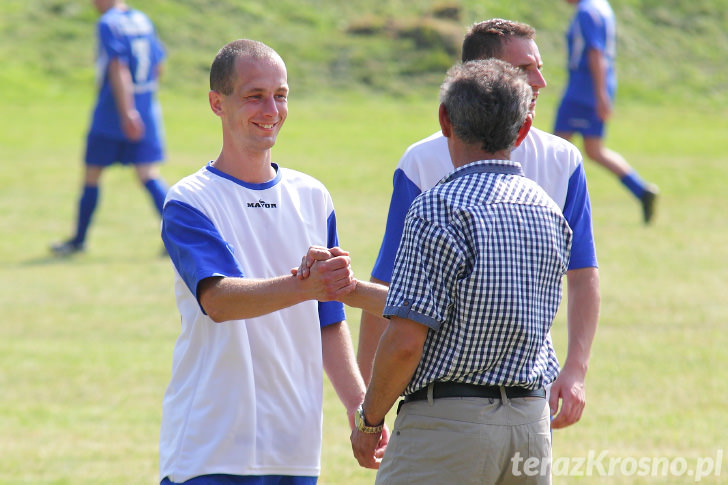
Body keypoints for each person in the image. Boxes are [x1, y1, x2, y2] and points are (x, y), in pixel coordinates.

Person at [358, 19, 600, 430]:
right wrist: (371, 403)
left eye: (539, 67)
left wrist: (575, 370)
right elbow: (390, 286)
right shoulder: (420, 163)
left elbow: (582, 273)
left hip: (526, 393)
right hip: (440, 396)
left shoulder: (564, 160)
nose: (540, 81)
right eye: (525, 70)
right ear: (483, 75)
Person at [158, 39, 376, 484]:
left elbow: (329, 320)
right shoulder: (190, 200)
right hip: (210, 449)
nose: (271, 110)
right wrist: (305, 285)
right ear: (217, 103)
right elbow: (218, 300)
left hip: (294, 451)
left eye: (281, 95)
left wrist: (360, 411)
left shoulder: (313, 196)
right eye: (254, 96)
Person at [346, 58, 572, 483]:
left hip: (447, 429)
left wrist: (369, 421)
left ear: (445, 121)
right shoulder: (548, 212)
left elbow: (407, 341)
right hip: (530, 426)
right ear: (522, 130)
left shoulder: (438, 208)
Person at [51, 0, 168, 256]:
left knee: (92, 174)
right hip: (146, 111)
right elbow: (158, 65)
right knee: (148, 174)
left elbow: (118, 66)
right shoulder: (142, 19)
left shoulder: (108, 23)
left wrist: (127, 111)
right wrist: (142, 104)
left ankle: (78, 241)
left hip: (112, 113)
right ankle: (179, 238)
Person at [554, 0, 658, 224]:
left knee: (555, 149)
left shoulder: (586, 11)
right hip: (593, 87)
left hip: (583, 89)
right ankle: (641, 190)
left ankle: (550, 207)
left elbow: (595, 52)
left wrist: (600, 94)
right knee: (593, 150)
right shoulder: (601, 6)